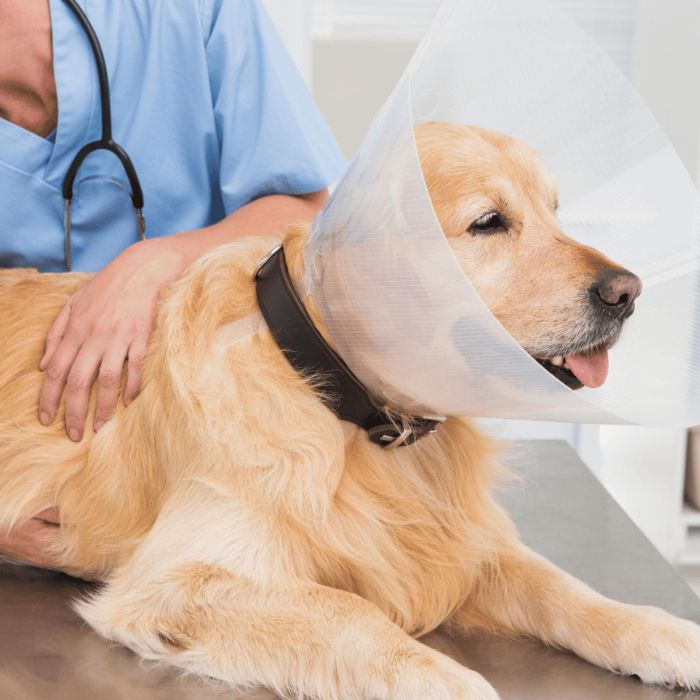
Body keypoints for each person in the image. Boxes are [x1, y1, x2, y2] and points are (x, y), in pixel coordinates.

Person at [0, 0, 346, 572]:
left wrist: (156, 263)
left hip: (226, 439)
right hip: (31, 485)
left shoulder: (196, 12)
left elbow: (302, 214)